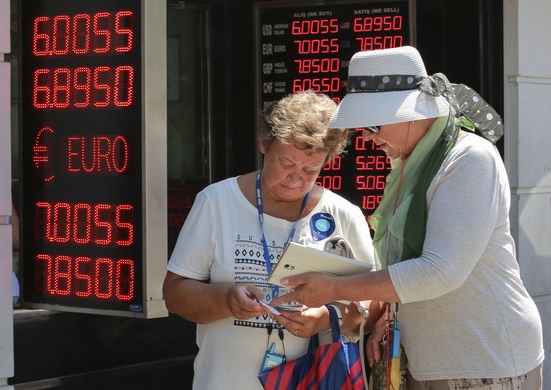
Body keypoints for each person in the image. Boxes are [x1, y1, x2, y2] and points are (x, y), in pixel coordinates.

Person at [271, 46, 545, 389]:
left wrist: (334, 287)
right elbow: (408, 269)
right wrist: (388, 315)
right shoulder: (411, 164)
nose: (367, 138)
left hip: (484, 361)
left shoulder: (470, 157)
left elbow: (439, 271)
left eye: (371, 124)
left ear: (410, 114)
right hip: (434, 362)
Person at [163, 90, 379, 389]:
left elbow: (376, 302)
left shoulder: (343, 214)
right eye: (286, 163)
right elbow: (175, 294)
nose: (295, 179)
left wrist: (326, 318)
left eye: (310, 169)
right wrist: (227, 300)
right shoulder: (217, 201)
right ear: (265, 145)